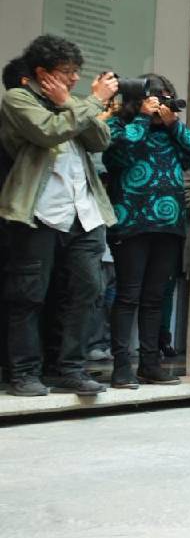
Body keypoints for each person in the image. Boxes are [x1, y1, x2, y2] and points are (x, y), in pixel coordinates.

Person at [1, 35, 117, 397]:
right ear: (42, 73)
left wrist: (73, 103)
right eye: (66, 72)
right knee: (29, 296)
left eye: (76, 72)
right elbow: (49, 132)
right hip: (37, 213)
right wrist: (90, 102)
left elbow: (100, 139)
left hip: (84, 213)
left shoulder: (71, 101)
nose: (73, 79)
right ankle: (24, 373)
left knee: (87, 290)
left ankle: (71, 368)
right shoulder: (18, 98)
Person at [103, 73, 190, 388]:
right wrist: (145, 118)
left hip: (169, 226)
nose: (161, 103)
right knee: (128, 295)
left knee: (155, 298)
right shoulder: (121, 125)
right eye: (156, 97)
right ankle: (121, 366)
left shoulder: (172, 133)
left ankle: (150, 363)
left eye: (165, 97)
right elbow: (120, 150)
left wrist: (173, 124)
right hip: (130, 223)